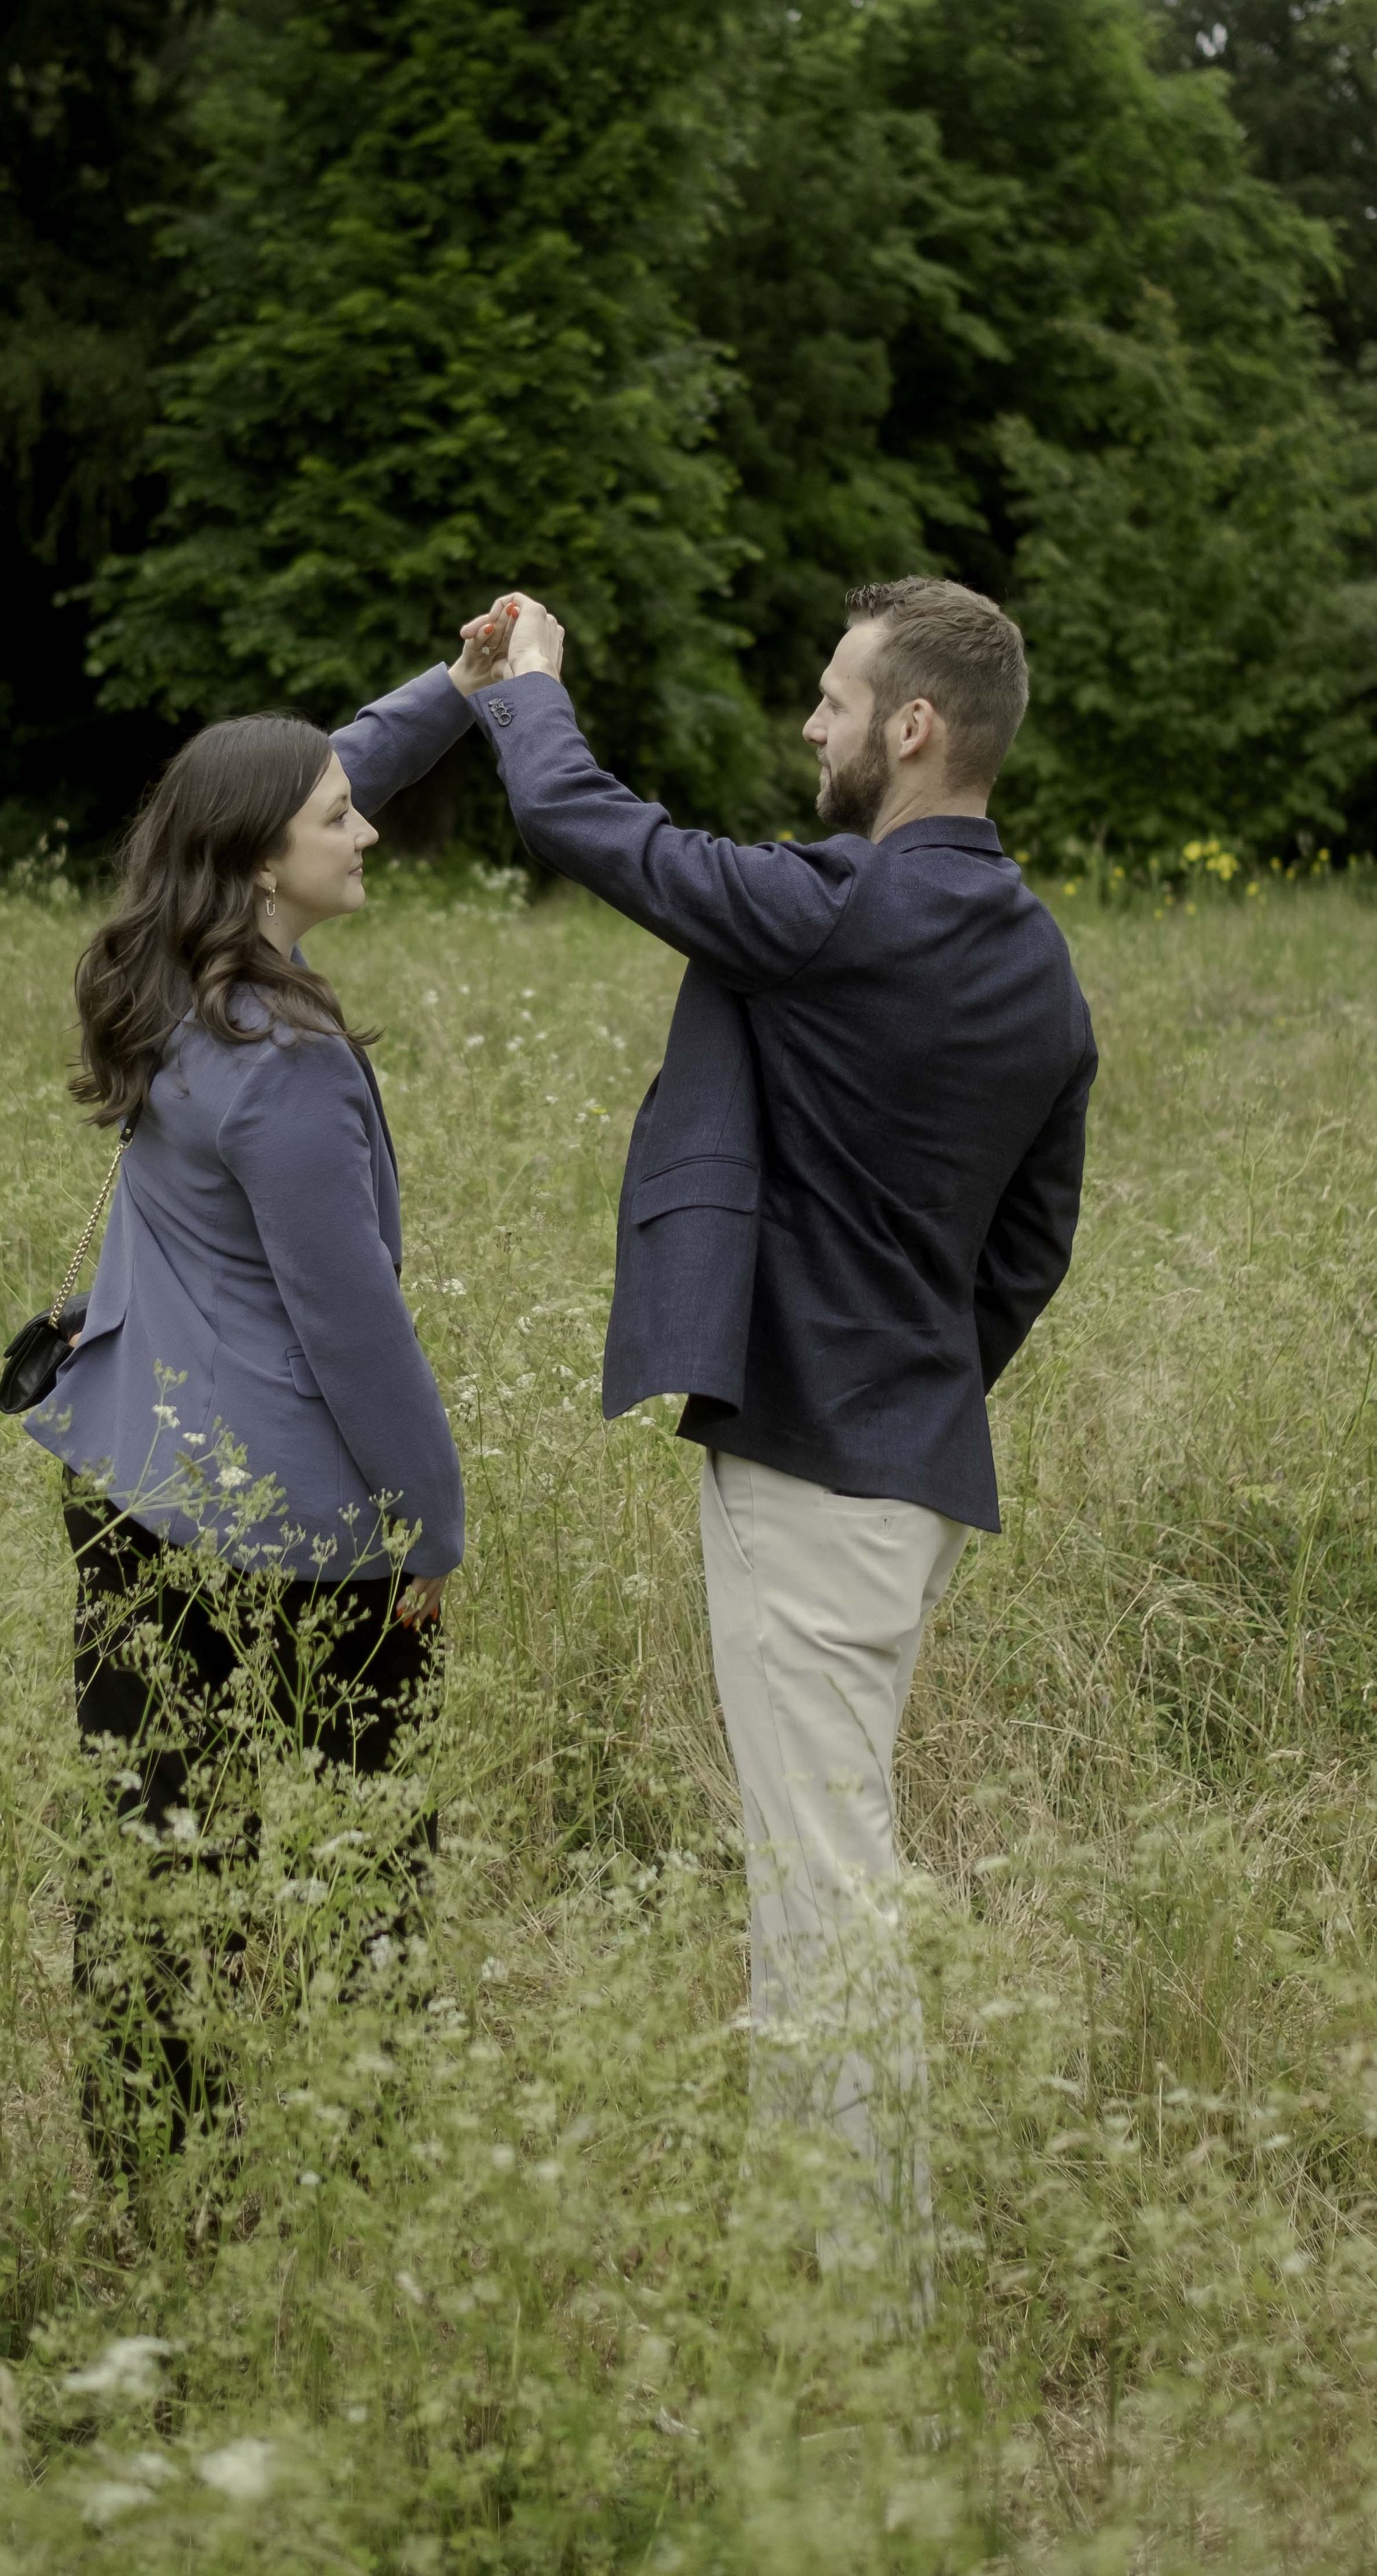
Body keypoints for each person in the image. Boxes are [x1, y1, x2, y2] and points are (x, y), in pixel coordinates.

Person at [459, 579, 1096, 2257]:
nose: (806, 729)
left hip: (816, 1469)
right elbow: (1028, 1245)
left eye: (830, 701)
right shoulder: (1040, 966)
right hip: (908, 1472)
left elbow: (590, 828)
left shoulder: (832, 909)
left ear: (909, 729)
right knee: (821, 1857)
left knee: (821, 1881)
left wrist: (529, 678)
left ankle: (858, 2303)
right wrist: (912, 1378)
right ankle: (809, 2244)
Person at [21, 616, 508, 2160]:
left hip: (129, 1490)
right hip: (294, 1532)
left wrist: (456, 691)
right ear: (259, 864)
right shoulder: (281, 1065)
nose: (363, 826)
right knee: (367, 1864)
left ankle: (150, 2165)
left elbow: (308, 772)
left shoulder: (160, 979)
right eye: (334, 822)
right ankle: (367, 2150)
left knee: (159, 1842)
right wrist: (429, 1533)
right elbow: (351, 1332)